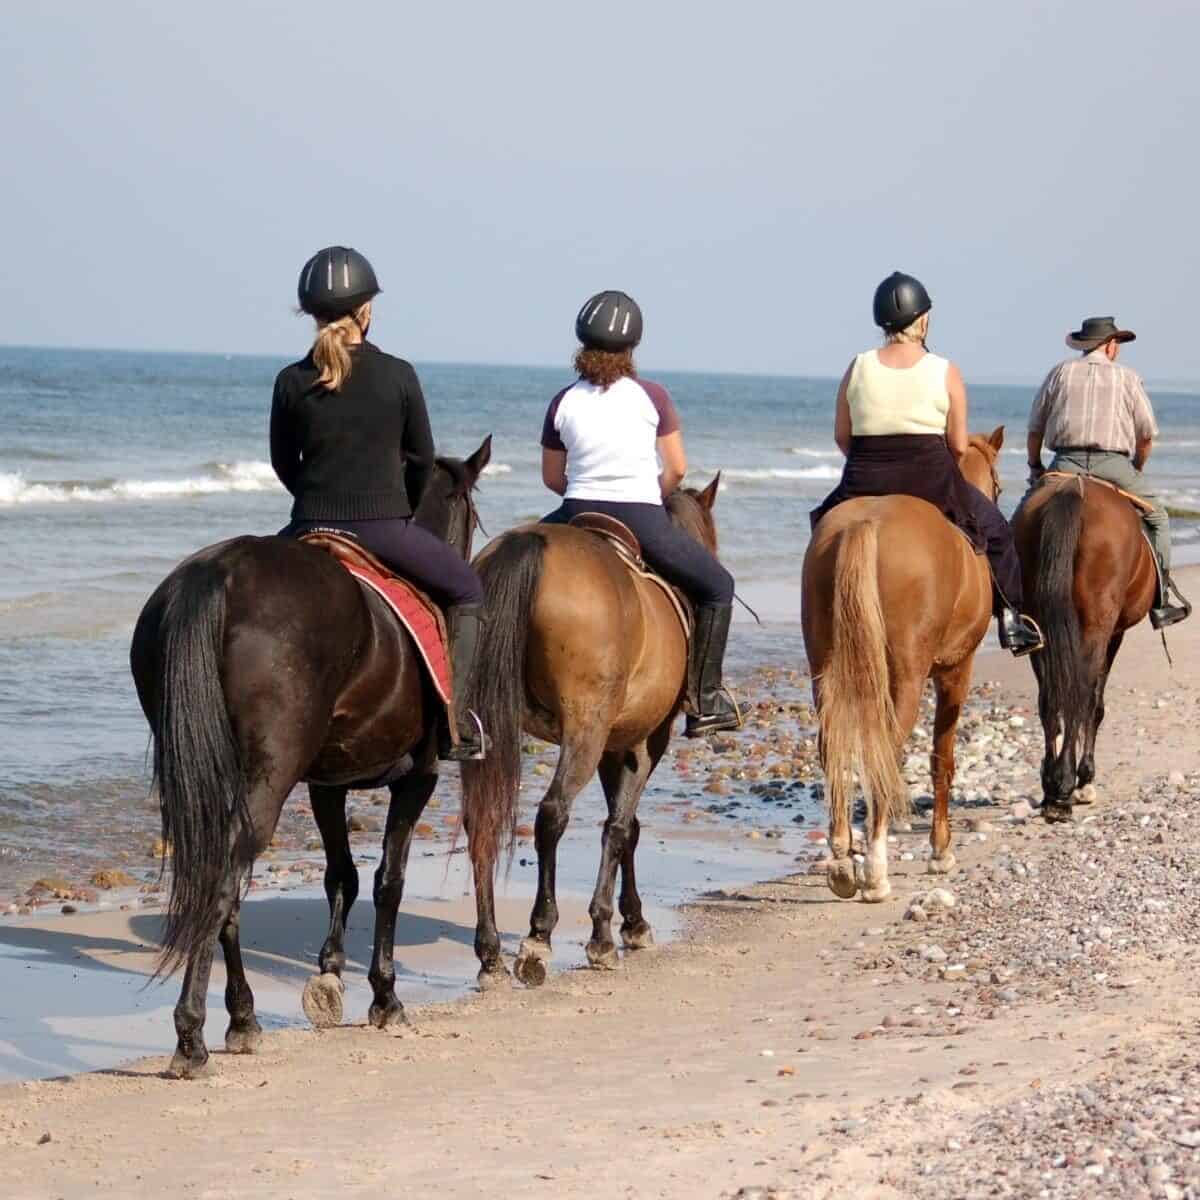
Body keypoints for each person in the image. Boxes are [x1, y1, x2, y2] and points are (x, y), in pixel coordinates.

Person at [270, 246, 487, 760]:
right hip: (382, 527)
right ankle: (454, 726)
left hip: (306, 527)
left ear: (312, 315)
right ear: (366, 310)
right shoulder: (398, 374)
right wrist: (402, 513)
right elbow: (421, 457)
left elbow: (283, 463)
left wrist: (314, 504)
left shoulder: (290, 380)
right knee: (468, 588)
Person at [539, 289, 740, 736]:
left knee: (507, 563)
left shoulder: (563, 399)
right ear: (632, 348)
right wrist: (651, 493)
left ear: (582, 346)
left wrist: (580, 492)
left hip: (574, 511)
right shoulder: (653, 396)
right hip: (640, 514)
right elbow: (678, 468)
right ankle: (704, 700)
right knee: (717, 586)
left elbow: (552, 476)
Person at [811, 271, 1043, 656]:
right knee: (997, 532)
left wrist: (873, 462)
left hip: (864, 475)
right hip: (930, 477)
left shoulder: (857, 366)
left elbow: (842, 435)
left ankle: (820, 613)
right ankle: (1012, 620)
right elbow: (956, 443)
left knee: (822, 528)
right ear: (923, 319)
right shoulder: (945, 370)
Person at [1026, 316, 1191, 629]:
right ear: (1110, 345)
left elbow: (1034, 429)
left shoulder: (1059, 372)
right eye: (1118, 343)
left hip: (1064, 464)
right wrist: (1136, 469)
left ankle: (1011, 602)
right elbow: (1146, 435)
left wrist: (1035, 466)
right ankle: (1162, 599)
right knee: (1158, 518)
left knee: (1023, 515)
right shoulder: (1127, 378)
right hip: (1112, 464)